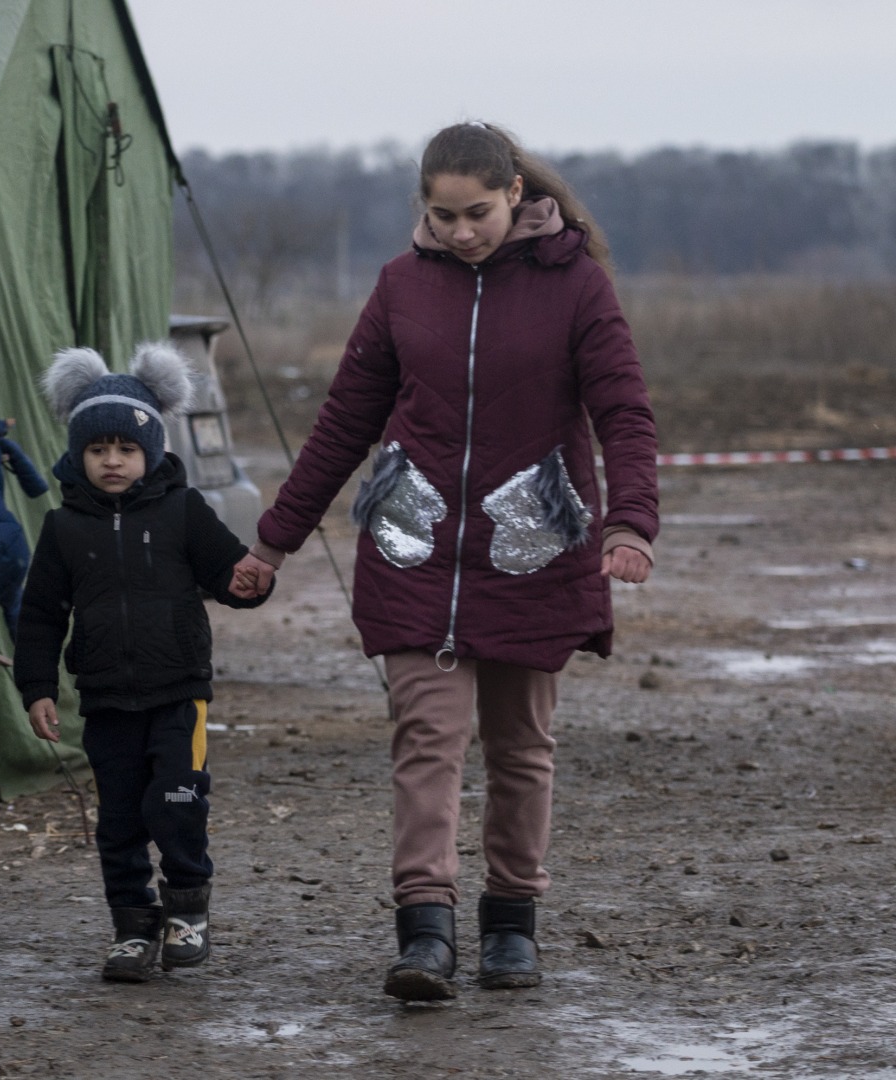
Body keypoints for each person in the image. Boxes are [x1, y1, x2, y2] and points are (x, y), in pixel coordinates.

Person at [242, 122, 659, 1001]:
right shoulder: (400, 287)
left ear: (515, 195)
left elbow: (622, 410)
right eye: (444, 215)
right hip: (415, 547)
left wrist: (629, 524)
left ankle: (512, 927)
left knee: (521, 750)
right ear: (422, 209)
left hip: (533, 553)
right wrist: (274, 540)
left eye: (478, 213)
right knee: (426, 741)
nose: (463, 231)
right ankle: (424, 932)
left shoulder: (577, 287)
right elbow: (343, 423)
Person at [14, 341, 271, 983]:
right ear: (79, 455)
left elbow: (229, 569)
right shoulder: (63, 529)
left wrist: (251, 582)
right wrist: (37, 686)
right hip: (105, 699)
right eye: (98, 450)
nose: (112, 461)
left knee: (179, 803)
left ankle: (188, 914)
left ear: (150, 452)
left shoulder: (183, 510)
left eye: (126, 449)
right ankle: (133, 928)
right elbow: (42, 614)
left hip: (178, 693)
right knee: (121, 819)